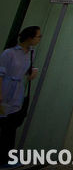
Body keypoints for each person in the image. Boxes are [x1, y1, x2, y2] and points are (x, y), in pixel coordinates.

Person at [0, 26, 41, 166]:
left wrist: (31, 74)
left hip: (18, 92)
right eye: (38, 36)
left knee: (11, 125)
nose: (39, 39)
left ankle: (7, 157)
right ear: (30, 37)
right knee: (3, 124)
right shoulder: (9, 53)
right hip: (5, 90)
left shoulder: (31, 53)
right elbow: (1, 73)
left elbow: (25, 73)